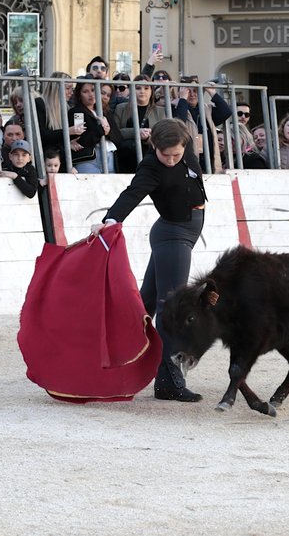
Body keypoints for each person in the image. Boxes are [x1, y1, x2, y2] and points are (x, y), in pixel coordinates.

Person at [92, 119, 206, 403]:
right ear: (153, 146)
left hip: (183, 233)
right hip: (173, 236)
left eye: (176, 155)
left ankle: (111, 357)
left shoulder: (185, 144)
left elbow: (180, 123)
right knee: (172, 307)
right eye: (164, 154)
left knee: (147, 302)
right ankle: (169, 381)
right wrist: (110, 220)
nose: (170, 160)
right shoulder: (150, 167)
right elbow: (131, 194)